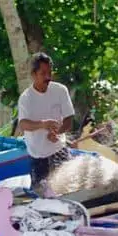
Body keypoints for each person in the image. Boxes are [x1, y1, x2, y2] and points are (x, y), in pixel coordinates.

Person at [17, 52, 75, 193]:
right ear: (33, 74)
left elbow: (69, 120)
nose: (48, 77)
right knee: (41, 197)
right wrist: (43, 124)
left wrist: (58, 132)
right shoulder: (26, 98)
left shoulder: (61, 90)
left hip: (59, 151)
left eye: (50, 72)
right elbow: (23, 124)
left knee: (68, 191)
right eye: (43, 73)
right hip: (37, 157)